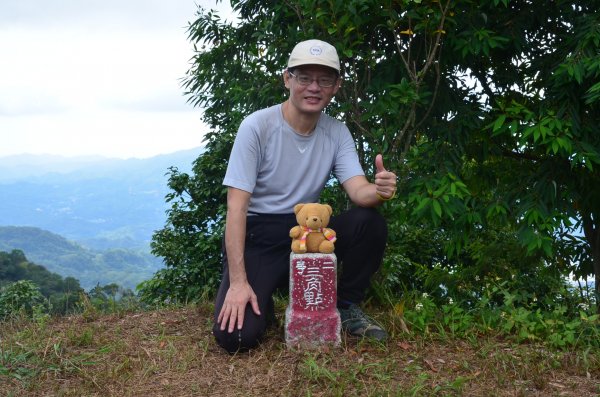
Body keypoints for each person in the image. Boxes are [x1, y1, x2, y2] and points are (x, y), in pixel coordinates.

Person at [213, 39, 397, 353]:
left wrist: (379, 190)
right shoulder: (257, 127)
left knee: (369, 222)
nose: (314, 87)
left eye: (324, 79)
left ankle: (345, 305)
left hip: (308, 233)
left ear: (336, 86)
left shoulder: (336, 132)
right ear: (287, 79)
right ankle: (260, 293)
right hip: (258, 233)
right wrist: (239, 282)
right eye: (304, 78)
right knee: (237, 337)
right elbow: (236, 208)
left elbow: (359, 192)